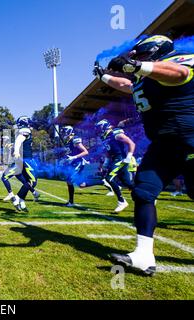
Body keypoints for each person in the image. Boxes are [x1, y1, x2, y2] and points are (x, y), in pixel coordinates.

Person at [94, 35, 194, 275]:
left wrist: (136, 66)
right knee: (143, 191)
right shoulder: (144, 77)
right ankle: (143, 255)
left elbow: (178, 73)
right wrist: (102, 76)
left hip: (191, 141)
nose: (136, 59)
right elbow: (128, 86)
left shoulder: (176, 61)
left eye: (140, 55)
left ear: (155, 50)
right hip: (164, 145)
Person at [94, 119, 136, 213]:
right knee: (127, 183)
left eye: (99, 127)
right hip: (114, 159)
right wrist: (106, 162)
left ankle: (122, 201)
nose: (98, 130)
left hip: (120, 159)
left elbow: (131, 143)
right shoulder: (105, 137)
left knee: (109, 178)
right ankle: (147, 196)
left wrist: (129, 156)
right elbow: (108, 151)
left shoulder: (115, 133)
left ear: (105, 126)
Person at [1, 116, 40, 212]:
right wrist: (15, 149)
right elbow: (18, 140)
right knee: (31, 182)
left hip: (25, 160)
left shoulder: (24, 131)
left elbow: (18, 141)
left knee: (28, 182)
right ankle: (18, 199)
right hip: (25, 160)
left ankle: (20, 200)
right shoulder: (25, 130)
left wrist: (14, 148)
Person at [60, 126, 89, 206]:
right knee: (73, 183)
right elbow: (71, 153)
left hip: (78, 163)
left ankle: (101, 181)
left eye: (64, 131)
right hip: (73, 163)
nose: (63, 133)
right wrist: (64, 159)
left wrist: (74, 157)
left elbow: (85, 152)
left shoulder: (75, 139)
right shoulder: (68, 141)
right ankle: (71, 201)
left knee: (72, 182)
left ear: (68, 131)